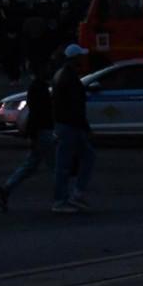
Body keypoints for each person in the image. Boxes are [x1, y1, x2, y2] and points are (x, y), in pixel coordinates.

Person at [0, 56, 55, 213]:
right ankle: (62, 197)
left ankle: (6, 189)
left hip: (41, 131)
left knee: (32, 165)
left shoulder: (38, 87)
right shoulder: (39, 88)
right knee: (55, 166)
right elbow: (38, 113)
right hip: (43, 131)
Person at [49, 44, 96, 213]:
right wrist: (85, 127)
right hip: (70, 125)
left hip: (67, 124)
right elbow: (75, 106)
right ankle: (62, 200)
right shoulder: (69, 77)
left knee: (79, 159)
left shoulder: (62, 75)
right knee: (66, 163)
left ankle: (73, 194)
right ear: (75, 58)